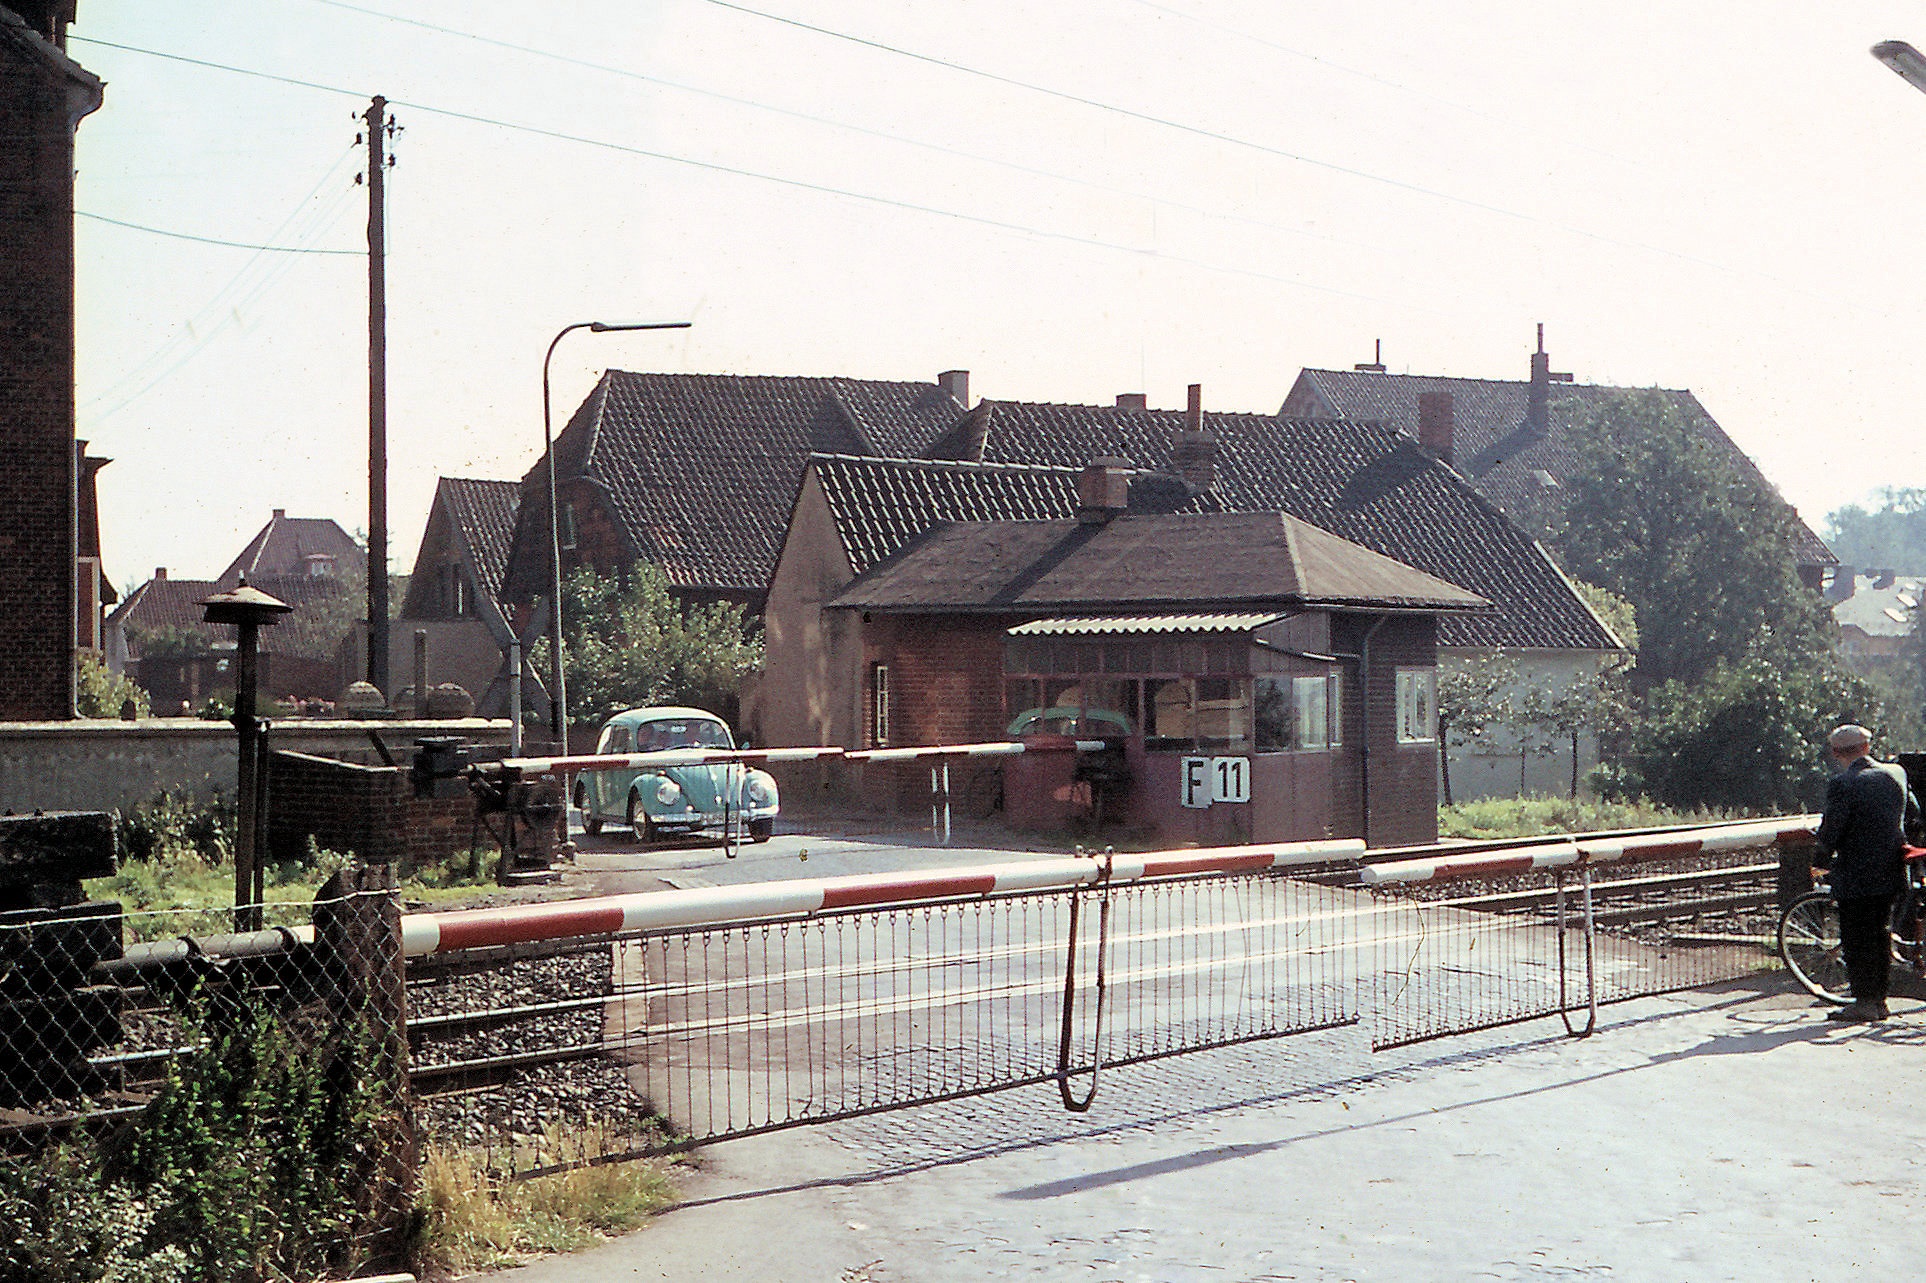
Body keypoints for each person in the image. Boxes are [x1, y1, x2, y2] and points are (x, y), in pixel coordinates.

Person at [1810, 724, 1920, 1022]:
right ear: (1867, 747)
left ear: (1836, 752)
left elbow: (1833, 827)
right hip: (1892, 869)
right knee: (1881, 934)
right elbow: (1912, 812)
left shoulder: (1843, 783)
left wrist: (1820, 859)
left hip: (1857, 873)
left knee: (1857, 938)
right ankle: (1880, 1001)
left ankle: (1863, 1002)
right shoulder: (1896, 773)